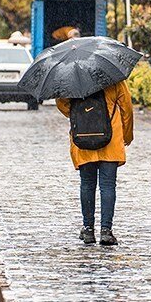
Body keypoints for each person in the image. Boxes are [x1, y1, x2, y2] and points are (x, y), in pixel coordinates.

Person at [56, 81, 134, 246]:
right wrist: (127, 135)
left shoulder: (71, 81)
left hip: (83, 139)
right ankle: (106, 230)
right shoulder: (114, 80)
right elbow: (127, 107)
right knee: (108, 186)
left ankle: (88, 229)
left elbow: (62, 104)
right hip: (111, 141)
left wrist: (82, 113)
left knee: (87, 185)